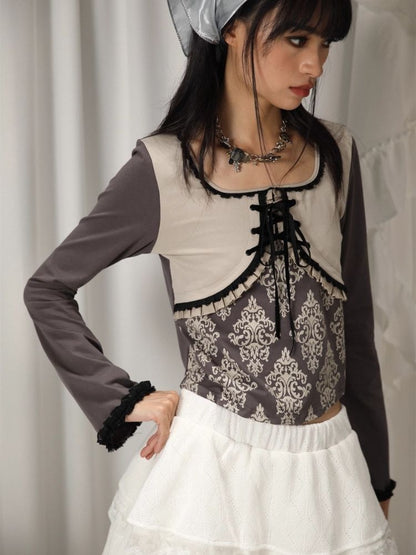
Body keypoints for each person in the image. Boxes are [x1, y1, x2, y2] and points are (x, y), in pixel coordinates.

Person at [23, 0, 399, 553]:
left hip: (331, 476)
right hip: (210, 481)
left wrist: (377, 476)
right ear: (232, 30)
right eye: (298, 40)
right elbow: (47, 289)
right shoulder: (164, 168)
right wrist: (119, 399)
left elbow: (356, 329)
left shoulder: (335, 153)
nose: (315, 65)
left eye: (325, 45)